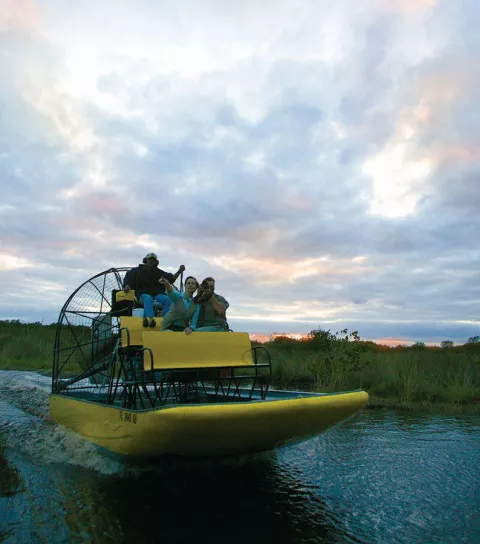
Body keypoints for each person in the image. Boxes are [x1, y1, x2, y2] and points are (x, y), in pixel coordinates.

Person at [123, 253, 185, 327]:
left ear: (156, 262)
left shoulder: (158, 272)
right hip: (143, 294)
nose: (151, 261)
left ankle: (165, 321)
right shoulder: (136, 271)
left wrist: (179, 271)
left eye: (153, 260)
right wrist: (127, 285)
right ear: (145, 260)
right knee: (148, 298)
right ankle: (150, 320)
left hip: (156, 294)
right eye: (150, 259)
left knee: (168, 300)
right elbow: (128, 278)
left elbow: (171, 279)